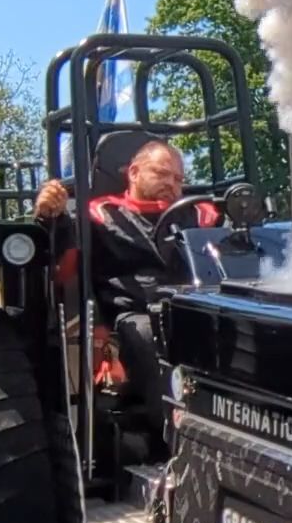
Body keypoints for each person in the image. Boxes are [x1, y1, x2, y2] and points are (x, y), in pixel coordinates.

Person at [35, 141, 220, 400]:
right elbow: (63, 270)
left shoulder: (201, 215)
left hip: (195, 309)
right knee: (149, 333)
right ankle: (172, 424)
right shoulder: (100, 215)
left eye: (178, 179)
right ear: (133, 173)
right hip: (134, 315)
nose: (172, 184)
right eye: (161, 173)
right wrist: (50, 217)